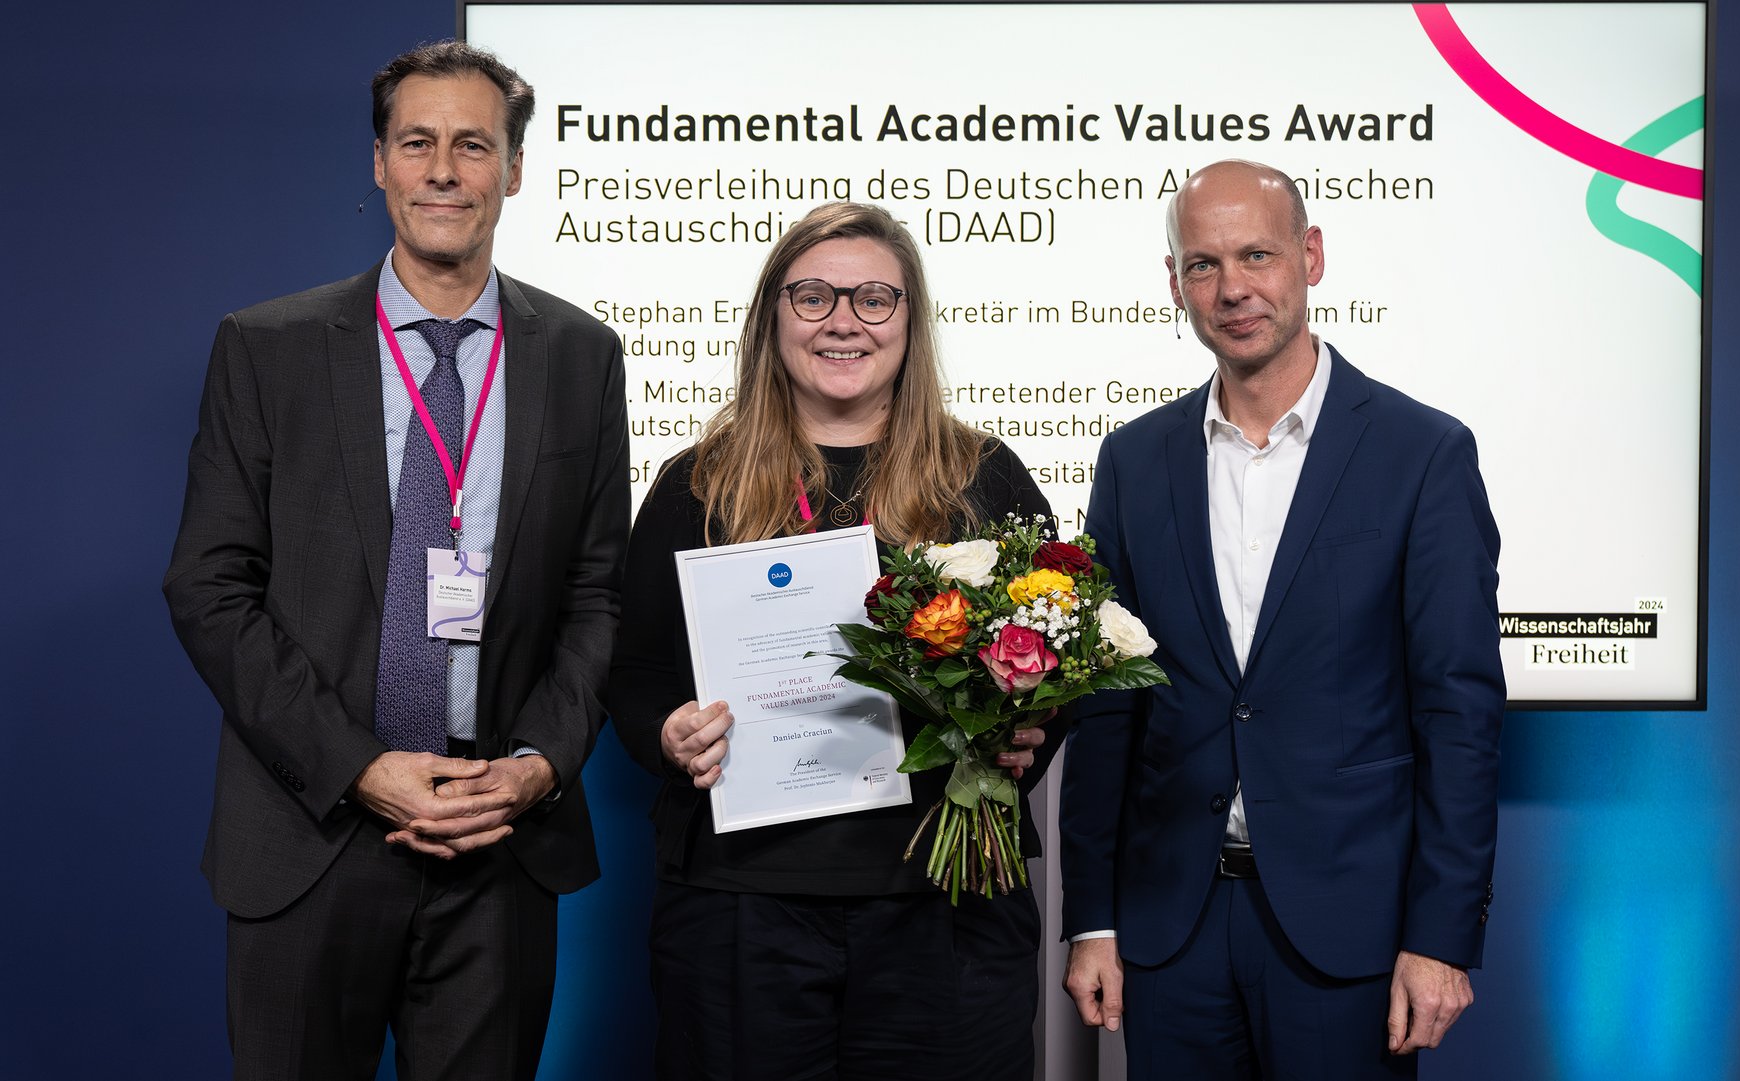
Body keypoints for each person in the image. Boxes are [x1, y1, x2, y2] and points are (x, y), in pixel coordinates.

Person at [162, 41, 628, 1080]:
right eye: (418, 143)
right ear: (379, 163)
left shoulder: (582, 354)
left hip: (499, 841)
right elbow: (209, 585)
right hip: (310, 832)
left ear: (514, 170)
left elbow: (599, 592)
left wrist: (536, 766)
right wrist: (361, 770)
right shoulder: (267, 346)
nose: (444, 171)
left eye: (474, 145)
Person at [1057, 159, 1504, 1078]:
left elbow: (1458, 712)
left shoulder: (1423, 453)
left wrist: (1441, 934)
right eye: (1202, 264)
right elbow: (1108, 711)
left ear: (1311, 255)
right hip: (1171, 929)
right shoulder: (1134, 460)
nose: (1232, 289)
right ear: (1175, 283)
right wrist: (1092, 916)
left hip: (1350, 935)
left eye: (1256, 254)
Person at [609, 201, 1054, 1081]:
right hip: (744, 908)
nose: (843, 320)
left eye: (874, 299)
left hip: (946, 904)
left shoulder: (983, 478)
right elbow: (635, 674)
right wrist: (666, 732)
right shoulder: (697, 488)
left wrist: (1030, 734)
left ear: (910, 323)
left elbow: (1051, 661)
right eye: (812, 296)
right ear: (771, 316)